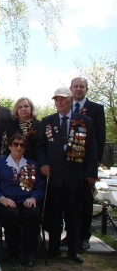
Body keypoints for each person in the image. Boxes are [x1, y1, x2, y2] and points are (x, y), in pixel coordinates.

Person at [37, 87, 98, 264]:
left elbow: (91, 149)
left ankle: (73, 250)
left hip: (76, 176)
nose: (59, 102)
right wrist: (44, 164)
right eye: (56, 99)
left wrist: (91, 173)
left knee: (74, 216)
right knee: (54, 216)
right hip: (54, 176)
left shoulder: (84, 121)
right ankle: (53, 247)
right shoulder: (47, 121)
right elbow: (40, 147)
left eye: (63, 99)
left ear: (70, 100)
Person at [59, 77, 106, 251]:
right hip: (66, 167)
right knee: (68, 204)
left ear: (86, 89)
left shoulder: (96, 109)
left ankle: (84, 237)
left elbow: (99, 139)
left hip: (84, 165)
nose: (78, 89)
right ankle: (70, 235)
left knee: (85, 203)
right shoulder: (64, 107)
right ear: (70, 89)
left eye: (82, 86)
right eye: (75, 86)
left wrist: (94, 167)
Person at [0, 133, 45, 267]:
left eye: (22, 145)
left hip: (26, 200)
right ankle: (13, 254)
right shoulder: (0, 162)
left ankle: (29, 254)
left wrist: (33, 198)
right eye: (15, 144)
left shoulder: (32, 164)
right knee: (11, 215)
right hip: (6, 201)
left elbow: (39, 187)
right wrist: (1, 198)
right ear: (9, 146)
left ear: (25, 148)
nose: (19, 147)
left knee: (32, 214)